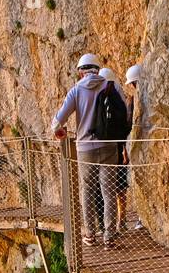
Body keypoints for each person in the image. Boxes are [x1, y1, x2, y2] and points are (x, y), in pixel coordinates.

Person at [51, 54, 131, 248]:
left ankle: (90, 234)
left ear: (81, 72)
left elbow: (56, 122)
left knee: (87, 191)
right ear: (97, 69)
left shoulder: (76, 91)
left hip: (85, 148)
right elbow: (126, 115)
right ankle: (109, 237)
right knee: (109, 191)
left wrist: (60, 132)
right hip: (109, 146)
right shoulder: (110, 86)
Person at [118, 63, 143, 233]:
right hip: (138, 147)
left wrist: (124, 149)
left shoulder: (134, 102)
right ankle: (142, 217)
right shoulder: (136, 101)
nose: (133, 87)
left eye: (133, 84)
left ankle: (142, 217)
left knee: (138, 184)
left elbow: (127, 127)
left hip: (136, 148)